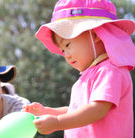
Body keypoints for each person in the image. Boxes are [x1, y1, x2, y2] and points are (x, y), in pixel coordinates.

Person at [23, 0, 135, 138]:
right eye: (63, 50)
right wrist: (48, 112)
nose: (66, 55)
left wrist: (58, 122)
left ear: (94, 34)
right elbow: (76, 111)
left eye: (68, 45)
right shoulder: (87, 77)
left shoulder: (110, 71)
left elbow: (97, 110)